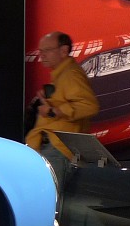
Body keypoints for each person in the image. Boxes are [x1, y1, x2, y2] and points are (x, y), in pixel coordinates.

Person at [24, 31, 99, 181]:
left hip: (59, 149)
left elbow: (90, 106)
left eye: (47, 50)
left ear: (64, 50)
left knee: (51, 191)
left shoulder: (71, 75)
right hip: (54, 147)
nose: (42, 55)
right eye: (40, 51)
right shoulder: (62, 74)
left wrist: (53, 111)